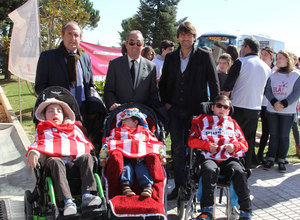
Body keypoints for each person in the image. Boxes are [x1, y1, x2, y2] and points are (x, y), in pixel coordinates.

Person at [159, 22, 220, 200]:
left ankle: (193, 185)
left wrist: (213, 110)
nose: (186, 38)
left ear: (194, 37)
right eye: (182, 35)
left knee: (194, 151)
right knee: (177, 150)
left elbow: (214, 83)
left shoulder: (204, 55)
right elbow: (163, 83)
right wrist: (167, 104)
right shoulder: (170, 58)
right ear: (178, 37)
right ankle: (179, 187)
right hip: (175, 111)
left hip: (197, 113)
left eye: (189, 35)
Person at [26, 98, 101, 216]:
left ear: (64, 115)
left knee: (87, 157)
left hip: (74, 161)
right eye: (50, 111)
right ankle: (68, 201)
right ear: (44, 115)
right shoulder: (43, 130)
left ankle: (87, 194)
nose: (55, 113)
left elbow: (84, 144)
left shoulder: (73, 129)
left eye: (59, 111)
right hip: (54, 163)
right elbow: (39, 145)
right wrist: (34, 152)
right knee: (55, 161)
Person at [34, 21, 105, 144]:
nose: (73, 38)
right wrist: (53, 105)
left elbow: (89, 85)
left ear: (80, 38)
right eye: (69, 34)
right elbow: (40, 86)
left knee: (82, 147)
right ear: (62, 35)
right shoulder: (48, 57)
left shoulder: (85, 58)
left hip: (83, 111)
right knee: (61, 147)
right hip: (59, 112)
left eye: (76, 35)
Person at [188, 95, 252, 220]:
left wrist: (235, 146)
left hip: (229, 158)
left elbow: (244, 145)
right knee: (209, 170)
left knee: (240, 172)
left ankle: (246, 211)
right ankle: (207, 211)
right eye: (219, 106)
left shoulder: (233, 123)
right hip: (209, 157)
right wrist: (205, 145)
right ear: (212, 107)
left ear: (229, 110)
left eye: (225, 107)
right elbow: (191, 141)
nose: (222, 109)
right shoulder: (200, 121)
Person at [222, 37, 271, 169]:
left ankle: (231, 166)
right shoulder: (266, 67)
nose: (241, 49)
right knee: (248, 139)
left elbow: (228, 86)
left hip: (238, 106)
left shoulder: (241, 61)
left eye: (242, 46)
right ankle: (245, 167)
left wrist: (222, 104)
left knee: (233, 138)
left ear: (247, 47)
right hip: (255, 108)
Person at [99, 108, 166, 197]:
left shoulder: (144, 132)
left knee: (142, 168)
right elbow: (108, 144)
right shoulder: (117, 132)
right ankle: (126, 187)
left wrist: (162, 156)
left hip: (141, 158)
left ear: (135, 122)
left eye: (126, 119)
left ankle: (147, 187)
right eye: (122, 120)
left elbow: (156, 144)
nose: (122, 122)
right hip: (124, 157)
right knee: (126, 168)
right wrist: (103, 158)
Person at [104, 30, 161, 111]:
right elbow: (108, 91)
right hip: (119, 114)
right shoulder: (115, 64)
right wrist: (113, 104)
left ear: (142, 45)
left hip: (143, 115)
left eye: (138, 43)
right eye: (131, 42)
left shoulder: (151, 67)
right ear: (126, 44)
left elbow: (153, 94)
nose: (135, 46)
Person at [263, 50, 300, 172]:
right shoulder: (273, 74)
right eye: (277, 58)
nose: (277, 60)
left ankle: (282, 159)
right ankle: (271, 158)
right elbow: (267, 90)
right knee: (273, 135)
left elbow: (296, 93)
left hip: (287, 111)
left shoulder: (296, 75)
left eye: (280, 58)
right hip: (272, 110)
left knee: (284, 136)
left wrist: (283, 104)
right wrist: (274, 102)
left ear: (287, 60)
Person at [257, 46, 275, 164]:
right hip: (260, 103)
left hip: (271, 104)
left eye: (265, 54)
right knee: (261, 130)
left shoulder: (274, 70)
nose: (263, 57)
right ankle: (258, 155)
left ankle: (267, 153)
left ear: (271, 56)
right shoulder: (260, 68)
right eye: (262, 54)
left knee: (268, 130)